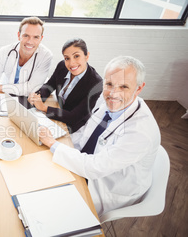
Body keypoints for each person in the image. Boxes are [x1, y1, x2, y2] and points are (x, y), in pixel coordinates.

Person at [39, 56, 161, 217]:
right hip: (89, 165)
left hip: (108, 188)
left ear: (138, 89)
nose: (113, 93)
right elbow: (85, 134)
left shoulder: (140, 132)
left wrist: (53, 144)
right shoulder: (106, 101)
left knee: (48, 206)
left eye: (124, 86)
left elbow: (94, 168)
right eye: (109, 84)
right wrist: (57, 138)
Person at [28, 38, 102, 133]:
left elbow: (74, 117)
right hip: (56, 113)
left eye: (76, 56)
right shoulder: (62, 66)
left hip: (73, 126)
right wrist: (36, 95)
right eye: (67, 58)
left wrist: (44, 108)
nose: (71, 63)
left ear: (86, 56)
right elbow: (49, 86)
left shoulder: (96, 83)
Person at [0, 16, 53, 98]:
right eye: (26, 36)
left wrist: (2, 87)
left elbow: (31, 88)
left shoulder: (46, 56)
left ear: (41, 39)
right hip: (5, 94)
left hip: (28, 96)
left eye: (36, 37)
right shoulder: (5, 51)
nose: (30, 41)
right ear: (19, 35)